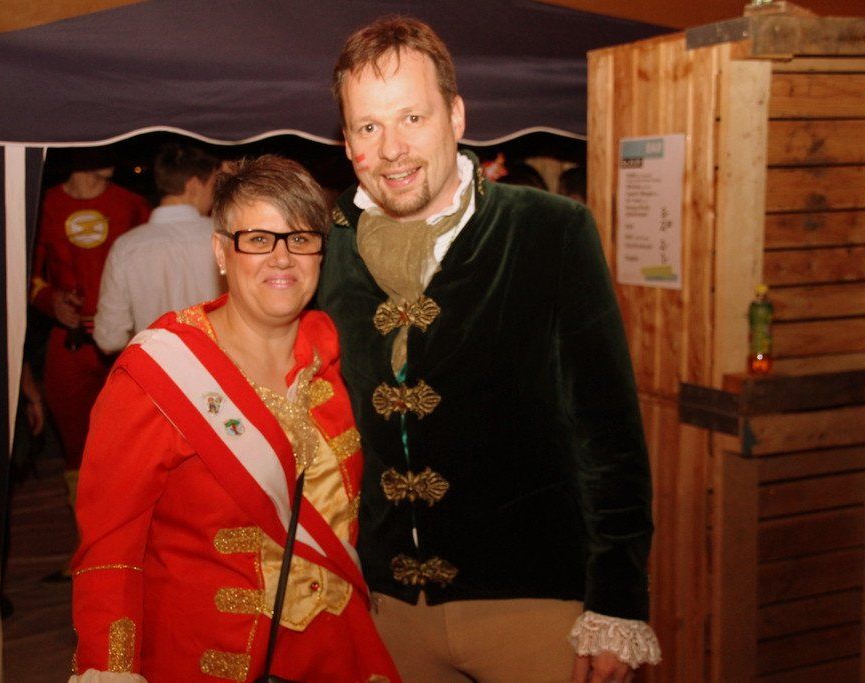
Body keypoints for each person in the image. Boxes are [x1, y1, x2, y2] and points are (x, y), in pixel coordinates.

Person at [318, 16, 660, 683]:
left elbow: (609, 432)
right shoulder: (325, 251)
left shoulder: (549, 230)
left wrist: (617, 601)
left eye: (412, 117)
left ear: (455, 115)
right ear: (348, 141)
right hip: (387, 612)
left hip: (534, 606)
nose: (392, 148)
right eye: (369, 127)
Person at [70, 156, 400, 682]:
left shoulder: (331, 348)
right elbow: (110, 554)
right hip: (209, 662)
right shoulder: (156, 374)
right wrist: (110, 669)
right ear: (221, 251)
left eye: (300, 239)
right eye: (258, 240)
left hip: (337, 655)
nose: (282, 258)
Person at [30, 146, 149, 574]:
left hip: (125, 346)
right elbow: (25, 272)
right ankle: (90, 548)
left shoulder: (132, 204)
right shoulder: (44, 205)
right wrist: (48, 300)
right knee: (77, 450)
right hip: (71, 344)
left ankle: (137, 545)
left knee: (135, 447)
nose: (114, 148)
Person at [93, 143, 222, 354]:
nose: (214, 195)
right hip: (215, 364)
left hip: (154, 367)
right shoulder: (223, 236)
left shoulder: (126, 246)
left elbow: (109, 339)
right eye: (213, 185)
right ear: (193, 185)